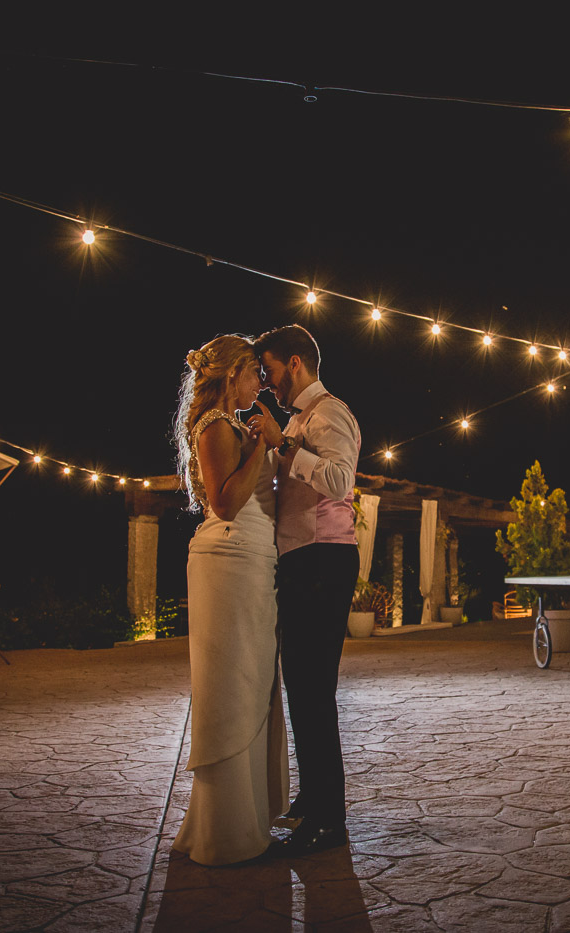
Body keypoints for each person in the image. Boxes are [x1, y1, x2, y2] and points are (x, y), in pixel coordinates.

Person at [170, 334, 288, 865]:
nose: (260, 384)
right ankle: (228, 833)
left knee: (253, 681)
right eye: (254, 375)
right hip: (230, 560)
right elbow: (224, 504)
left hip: (251, 564)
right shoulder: (215, 426)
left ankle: (247, 821)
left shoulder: (233, 424)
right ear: (234, 372)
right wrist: (263, 445)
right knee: (235, 686)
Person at [251, 324, 361, 855]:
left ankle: (329, 822)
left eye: (269, 370)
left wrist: (286, 446)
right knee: (302, 688)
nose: (267, 383)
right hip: (302, 560)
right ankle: (313, 799)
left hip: (324, 556)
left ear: (294, 363)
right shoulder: (297, 419)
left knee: (313, 689)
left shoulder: (330, 412)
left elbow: (341, 481)